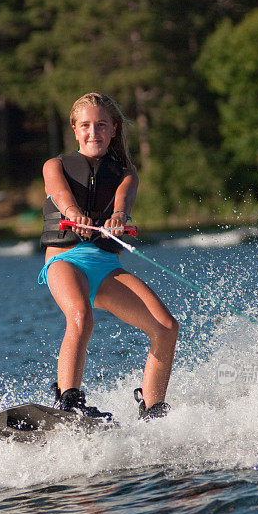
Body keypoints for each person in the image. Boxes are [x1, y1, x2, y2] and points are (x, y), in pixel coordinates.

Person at [38, 92, 178, 421]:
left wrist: (117, 218)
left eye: (101, 125)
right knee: (80, 317)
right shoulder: (55, 165)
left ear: (113, 129)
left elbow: (123, 202)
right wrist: (74, 212)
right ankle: (68, 402)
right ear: (75, 130)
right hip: (64, 260)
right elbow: (59, 193)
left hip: (105, 267)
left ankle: (153, 409)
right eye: (85, 125)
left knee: (166, 327)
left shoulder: (126, 174)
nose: (93, 132)